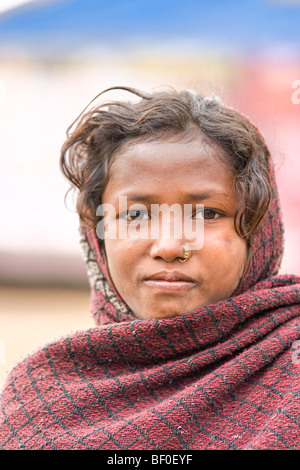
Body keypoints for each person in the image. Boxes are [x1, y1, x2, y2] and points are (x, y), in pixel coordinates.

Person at [0, 86, 299, 450]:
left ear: (258, 230)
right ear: (99, 232)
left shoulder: (291, 375)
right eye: (136, 215)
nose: (170, 247)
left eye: (207, 214)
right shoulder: (40, 400)